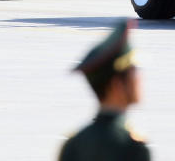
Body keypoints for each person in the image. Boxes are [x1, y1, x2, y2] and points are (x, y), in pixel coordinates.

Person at [59, 20, 150, 161]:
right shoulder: (132, 146)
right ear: (117, 85)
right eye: (134, 73)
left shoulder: (74, 143)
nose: (139, 79)